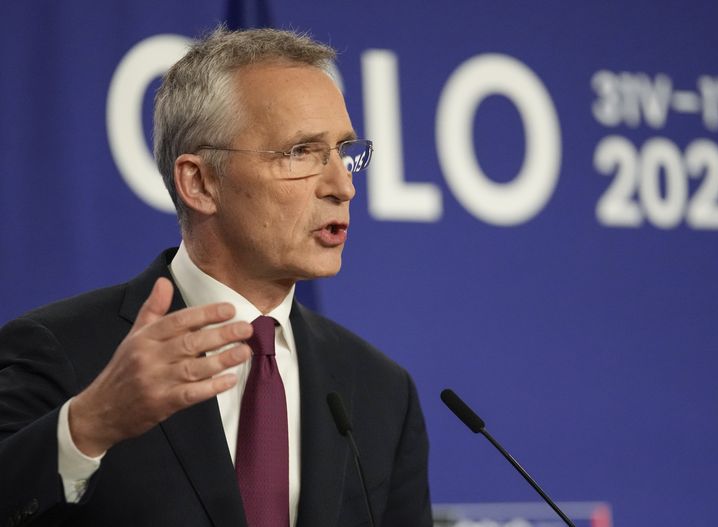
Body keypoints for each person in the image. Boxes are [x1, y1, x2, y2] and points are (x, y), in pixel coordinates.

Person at [0, 26, 432, 527]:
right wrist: (87, 426)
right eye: (301, 152)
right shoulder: (61, 350)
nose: (343, 186)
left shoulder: (381, 391)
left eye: (343, 151)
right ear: (200, 182)